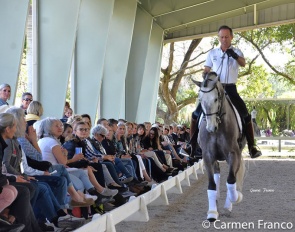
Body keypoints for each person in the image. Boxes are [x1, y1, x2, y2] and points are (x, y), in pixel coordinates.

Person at [190, 25, 261, 159]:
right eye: (221, 37)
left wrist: (233, 55)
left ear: (231, 37)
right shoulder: (212, 53)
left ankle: (252, 146)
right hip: (215, 88)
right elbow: (206, 68)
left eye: (227, 37)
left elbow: (243, 63)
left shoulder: (237, 51)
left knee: (245, 114)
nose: (224, 39)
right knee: (195, 114)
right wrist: (205, 74)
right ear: (219, 38)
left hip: (230, 88)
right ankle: (192, 145)